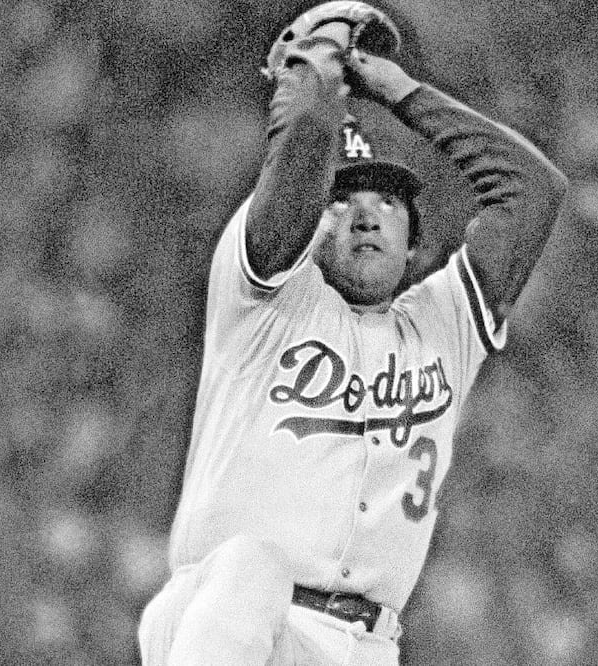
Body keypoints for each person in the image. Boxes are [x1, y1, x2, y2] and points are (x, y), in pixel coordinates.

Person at [138, 5, 567, 664]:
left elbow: (533, 190)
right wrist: (317, 63)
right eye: (343, 201)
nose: (366, 216)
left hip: (364, 646)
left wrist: (403, 93)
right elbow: (306, 135)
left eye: (387, 201)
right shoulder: (264, 292)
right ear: (311, 223)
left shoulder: (445, 323)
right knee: (252, 565)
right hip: (230, 623)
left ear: (414, 241)